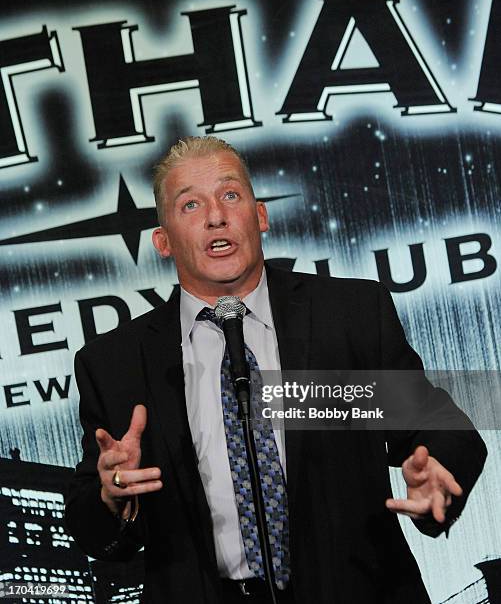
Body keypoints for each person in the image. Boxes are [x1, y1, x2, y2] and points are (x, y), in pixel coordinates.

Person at [65, 136, 487, 604]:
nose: (216, 216)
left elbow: (438, 427)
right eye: (190, 205)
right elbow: (91, 526)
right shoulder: (116, 362)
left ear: (259, 216)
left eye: (230, 195)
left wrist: (438, 476)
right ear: (162, 242)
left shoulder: (346, 316)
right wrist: (112, 496)